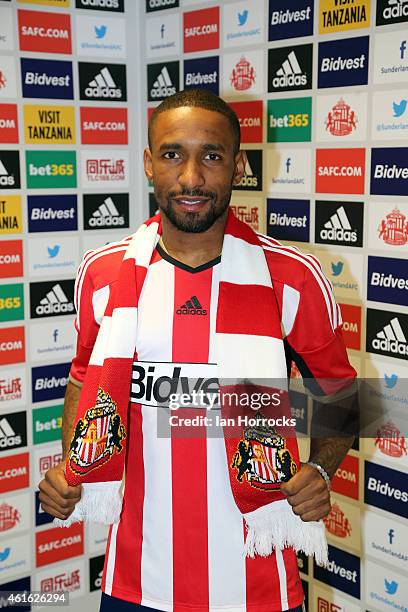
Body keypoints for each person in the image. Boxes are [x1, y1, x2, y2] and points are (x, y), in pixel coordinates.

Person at [39, 89, 357, 612]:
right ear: (148, 163)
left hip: (256, 578)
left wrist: (321, 471)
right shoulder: (102, 275)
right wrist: (71, 463)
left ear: (238, 165)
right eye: (171, 155)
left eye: (211, 155)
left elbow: (343, 392)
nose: (191, 178)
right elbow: (81, 379)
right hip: (135, 576)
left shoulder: (292, 278)